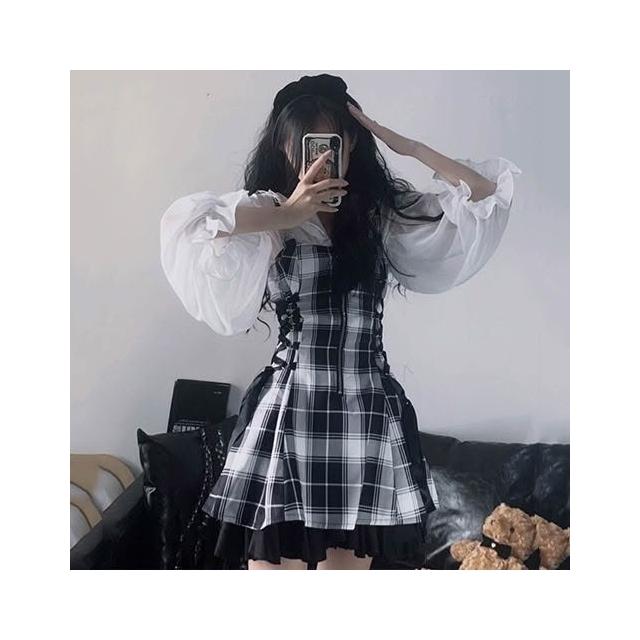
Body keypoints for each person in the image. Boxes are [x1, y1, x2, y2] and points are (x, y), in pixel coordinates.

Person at [160, 73, 522, 570]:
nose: (319, 158)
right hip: (289, 413)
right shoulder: (266, 216)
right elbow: (188, 228)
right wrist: (287, 214)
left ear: (352, 144)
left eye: (332, 143)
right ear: (283, 146)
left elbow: (484, 196)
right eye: (304, 144)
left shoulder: (380, 218)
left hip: (365, 414)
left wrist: (408, 146)